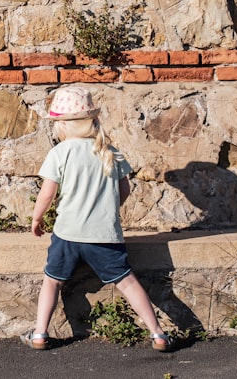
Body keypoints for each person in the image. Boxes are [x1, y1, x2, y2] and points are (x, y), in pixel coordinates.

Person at [22, 87, 172, 352]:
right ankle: (158, 333)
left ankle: (39, 333)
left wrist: (36, 219)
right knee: (127, 281)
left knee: (52, 281)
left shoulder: (60, 153)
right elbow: (124, 190)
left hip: (67, 234)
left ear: (63, 125)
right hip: (104, 235)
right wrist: (108, 208)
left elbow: (47, 194)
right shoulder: (109, 151)